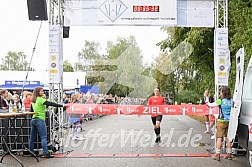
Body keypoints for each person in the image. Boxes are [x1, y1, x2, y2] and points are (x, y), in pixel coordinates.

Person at [29, 87, 63, 158]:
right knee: (43, 137)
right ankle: (45, 153)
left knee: (32, 138)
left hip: (33, 119)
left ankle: (31, 152)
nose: (43, 92)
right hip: (40, 119)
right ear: (38, 92)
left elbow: (31, 111)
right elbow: (50, 103)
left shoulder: (33, 100)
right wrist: (60, 105)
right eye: (42, 91)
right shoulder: (40, 99)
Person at [207, 86, 233, 161]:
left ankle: (217, 155)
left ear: (223, 93)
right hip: (230, 122)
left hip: (221, 121)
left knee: (219, 138)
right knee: (228, 138)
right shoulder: (231, 101)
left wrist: (207, 100)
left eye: (221, 92)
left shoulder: (220, 101)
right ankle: (229, 154)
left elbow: (210, 105)